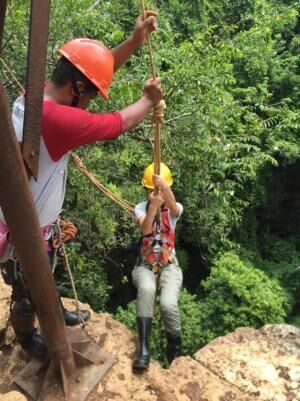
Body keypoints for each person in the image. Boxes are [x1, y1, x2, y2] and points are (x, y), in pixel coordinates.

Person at [0, 11, 163, 360]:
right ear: (76, 88)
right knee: (26, 292)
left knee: (46, 272)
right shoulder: (60, 119)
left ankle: (56, 311)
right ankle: (28, 340)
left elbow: (93, 72)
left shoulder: (38, 95)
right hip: (22, 231)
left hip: (31, 219)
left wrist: (135, 41)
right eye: (90, 96)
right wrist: (149, 100)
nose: (90, 102)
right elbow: (120, 122)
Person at [132, 162, 183, 372]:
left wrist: (165, 189)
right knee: (147, 289)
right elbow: (145, 229)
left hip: (169, 265)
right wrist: (153, 205)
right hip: (145, 265)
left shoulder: (174, 209)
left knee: (168, 304)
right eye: (151, 189)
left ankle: (175, 349)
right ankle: (144, 348)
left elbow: (173, 207)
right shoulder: (141, 207)